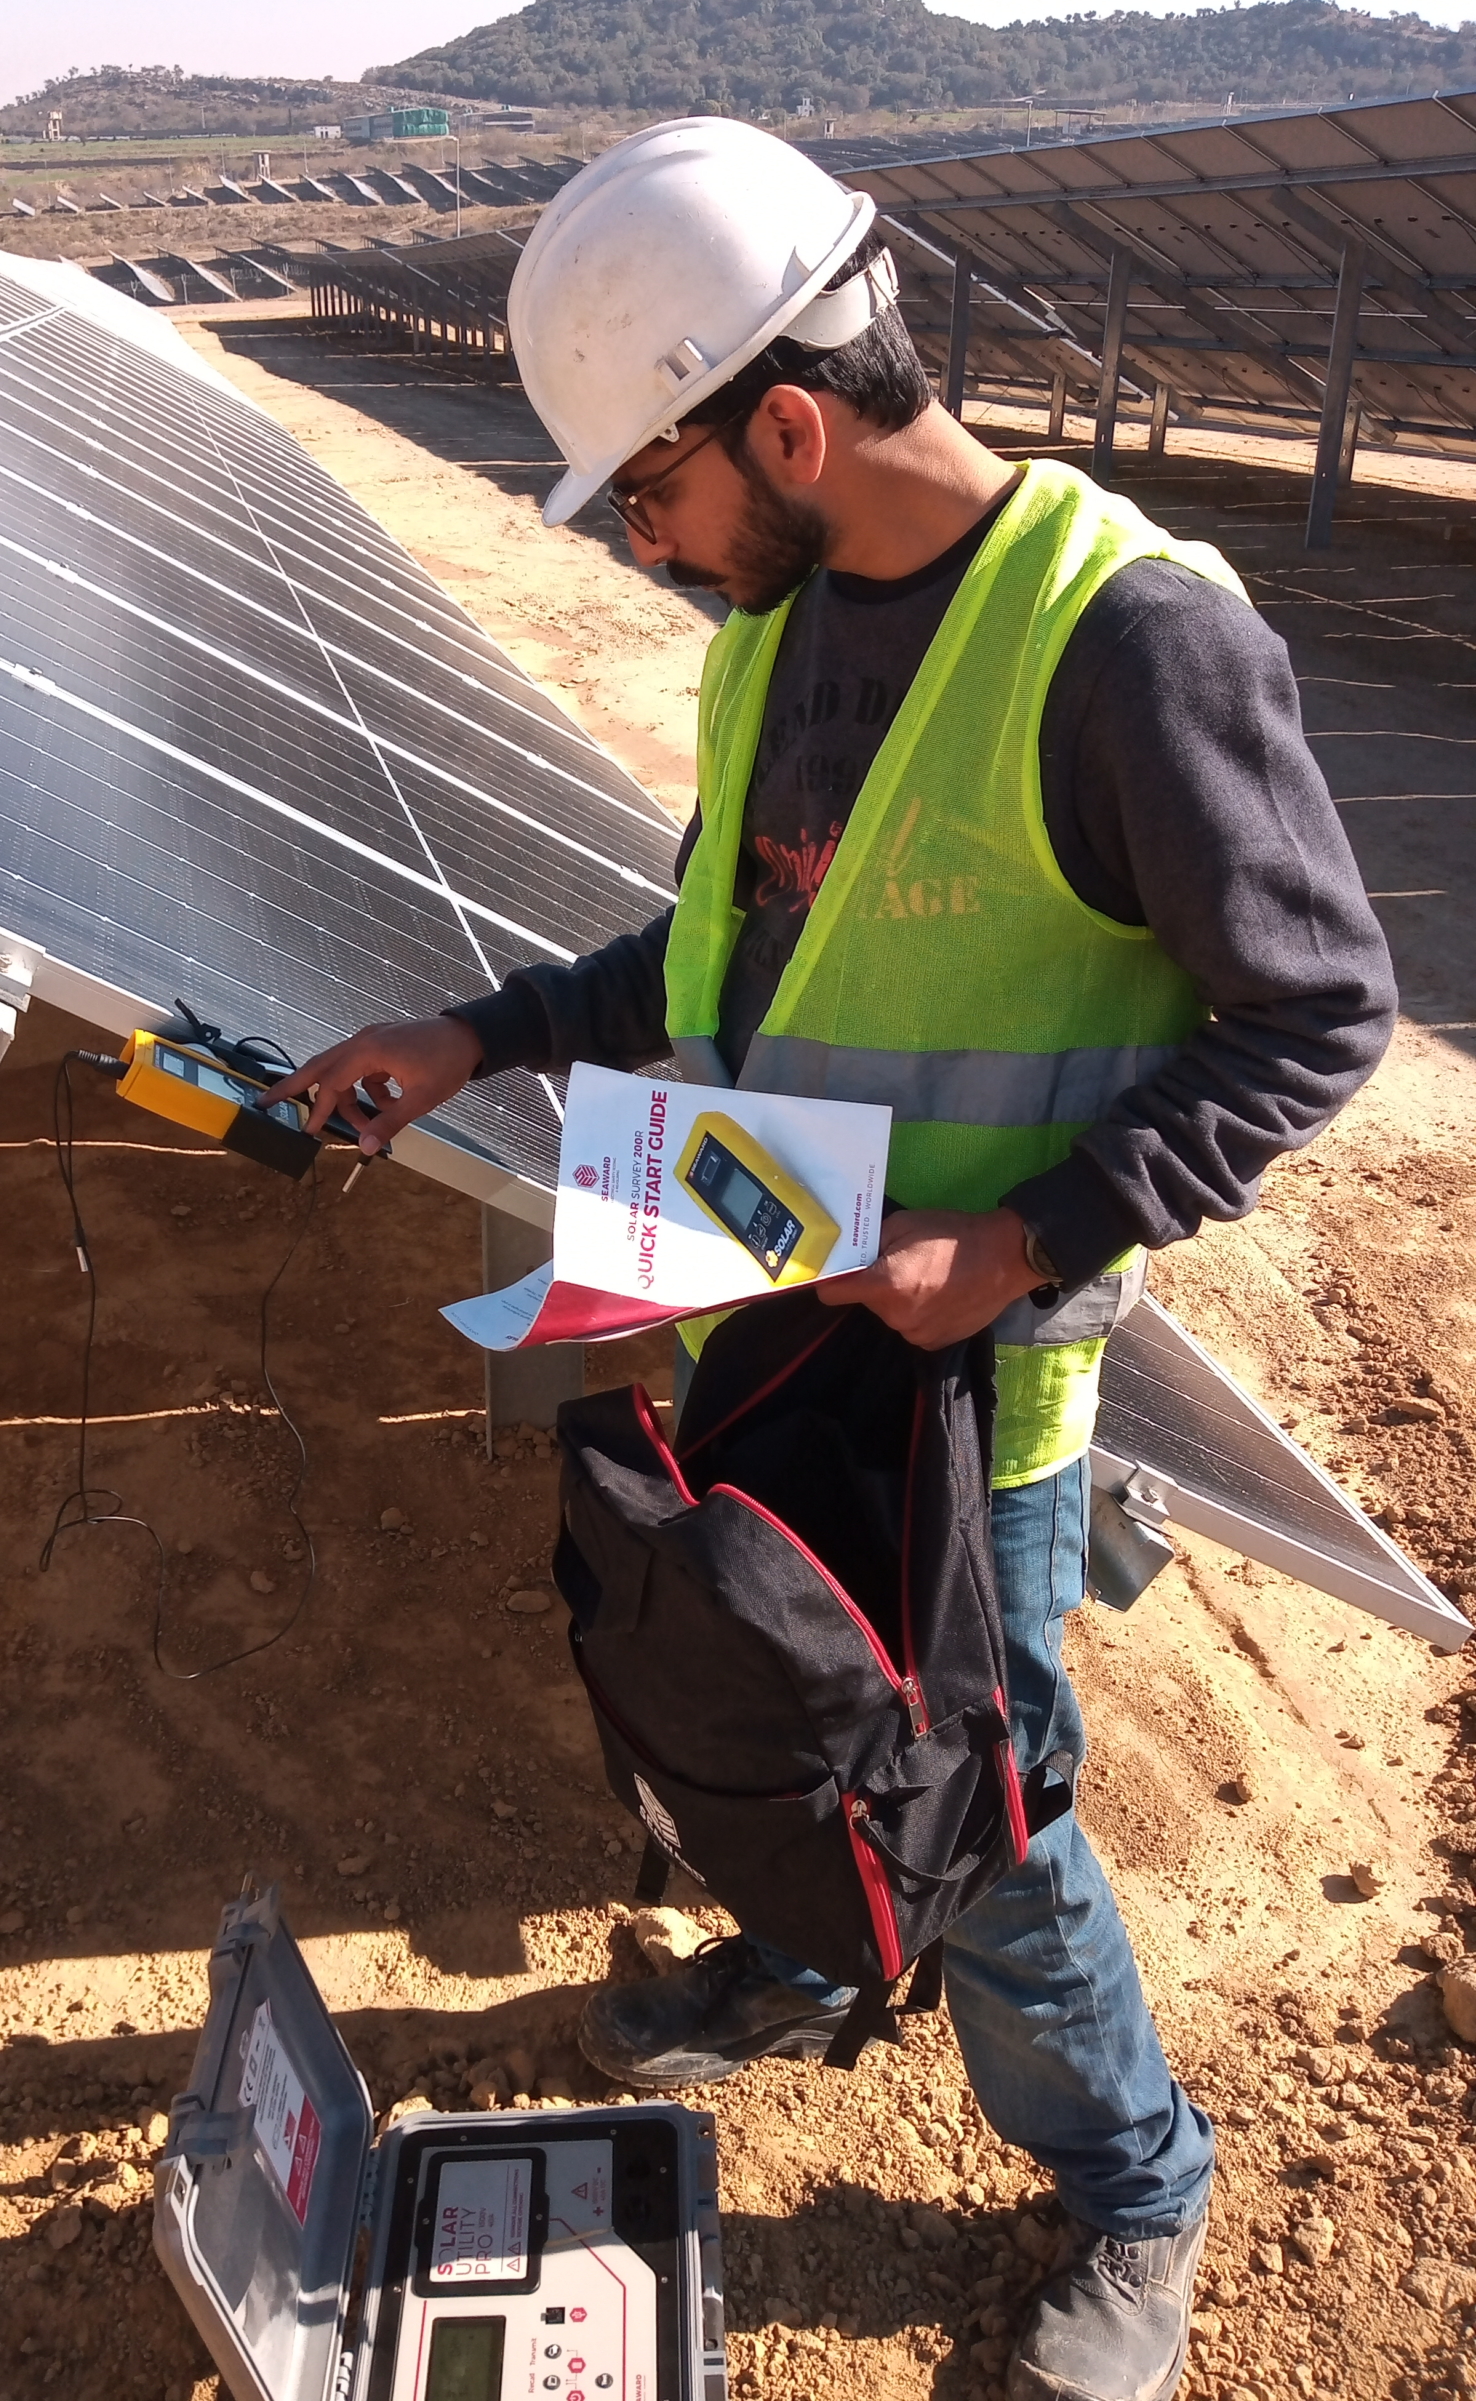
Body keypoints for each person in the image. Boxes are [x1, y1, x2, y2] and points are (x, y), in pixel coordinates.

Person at [270, 120, 1396, 2401]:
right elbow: (718, 946)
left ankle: (1138, 2185)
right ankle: (816, 1950)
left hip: (976, 1382)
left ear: (783, 426)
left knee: (978, 1797)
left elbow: (1316, 1016)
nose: (649, 543)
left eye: (651, 490)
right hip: (772, 1292)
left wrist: (1028, 1237)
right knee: (770, 1694)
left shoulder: (1125, 641)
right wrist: (480, 1031)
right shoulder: (781, 628)